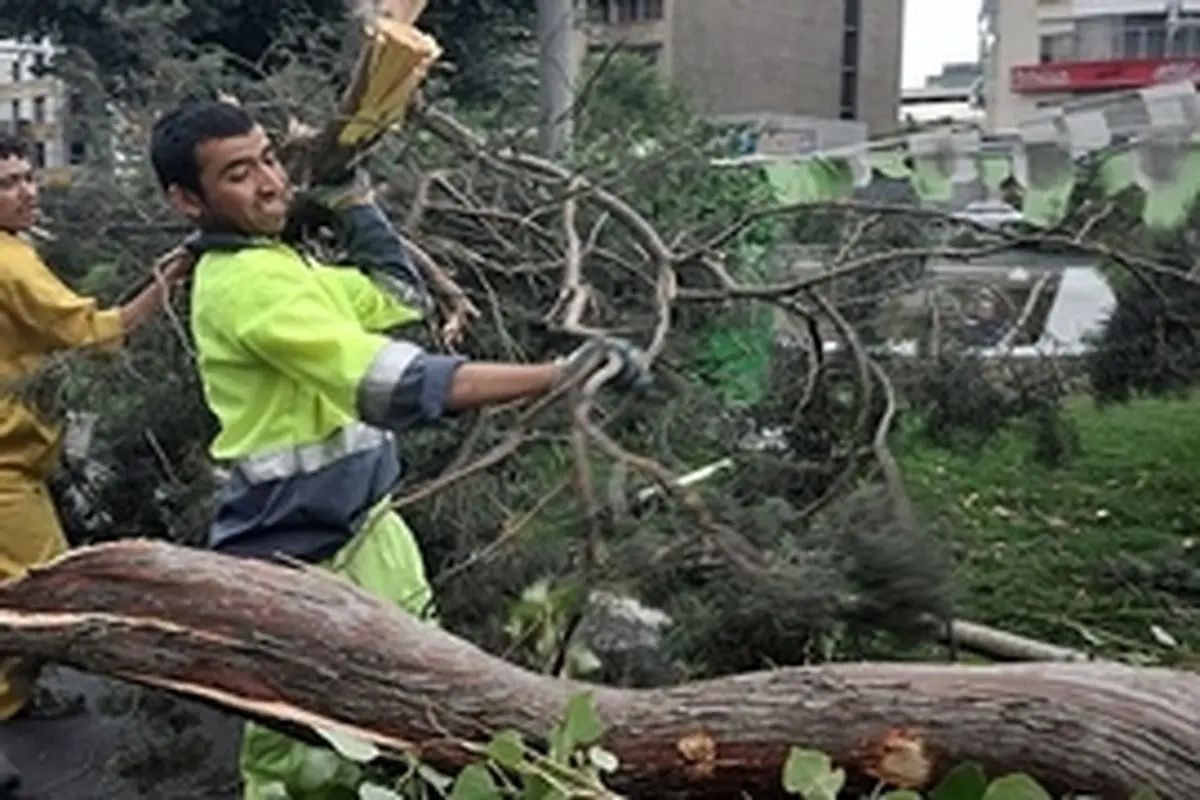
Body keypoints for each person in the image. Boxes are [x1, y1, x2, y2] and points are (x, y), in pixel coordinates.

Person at [147, 100, 650, 799]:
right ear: (186, 200)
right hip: (298, 573)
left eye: (269, 158)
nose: (270, 182)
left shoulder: (289, 268)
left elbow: (394, 293)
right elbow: (391, 386)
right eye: (239, 173)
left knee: (421, 728)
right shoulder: (246, 288)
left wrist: (357, 204)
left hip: (373, 535)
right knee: (307, 764)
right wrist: (560, 375)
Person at [0, 132, 192, 794]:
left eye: (26, 176)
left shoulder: (15, 252)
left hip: (16, 454)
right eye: (7, 183)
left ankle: (14, 698)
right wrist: (166, 281)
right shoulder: (11, 264)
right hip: (4, 465)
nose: (25, 191)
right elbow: (94, 334)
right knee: (42, 587)